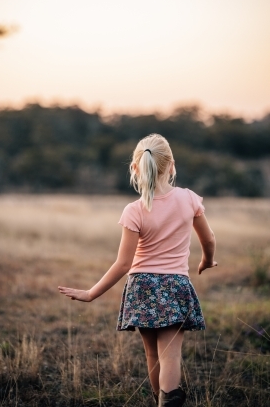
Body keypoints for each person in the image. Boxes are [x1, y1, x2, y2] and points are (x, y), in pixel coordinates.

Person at [58, 134, 217, 407]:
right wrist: (206, 260)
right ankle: (168, 402)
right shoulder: (189, 199)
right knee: (170, 355)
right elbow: (209, 239)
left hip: (141, 287)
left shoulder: (134, 210)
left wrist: (91, 293)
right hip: (175, 286)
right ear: (172, 165)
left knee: (153, 355)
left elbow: (123, 263)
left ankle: (160, 401)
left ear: (135, 168)